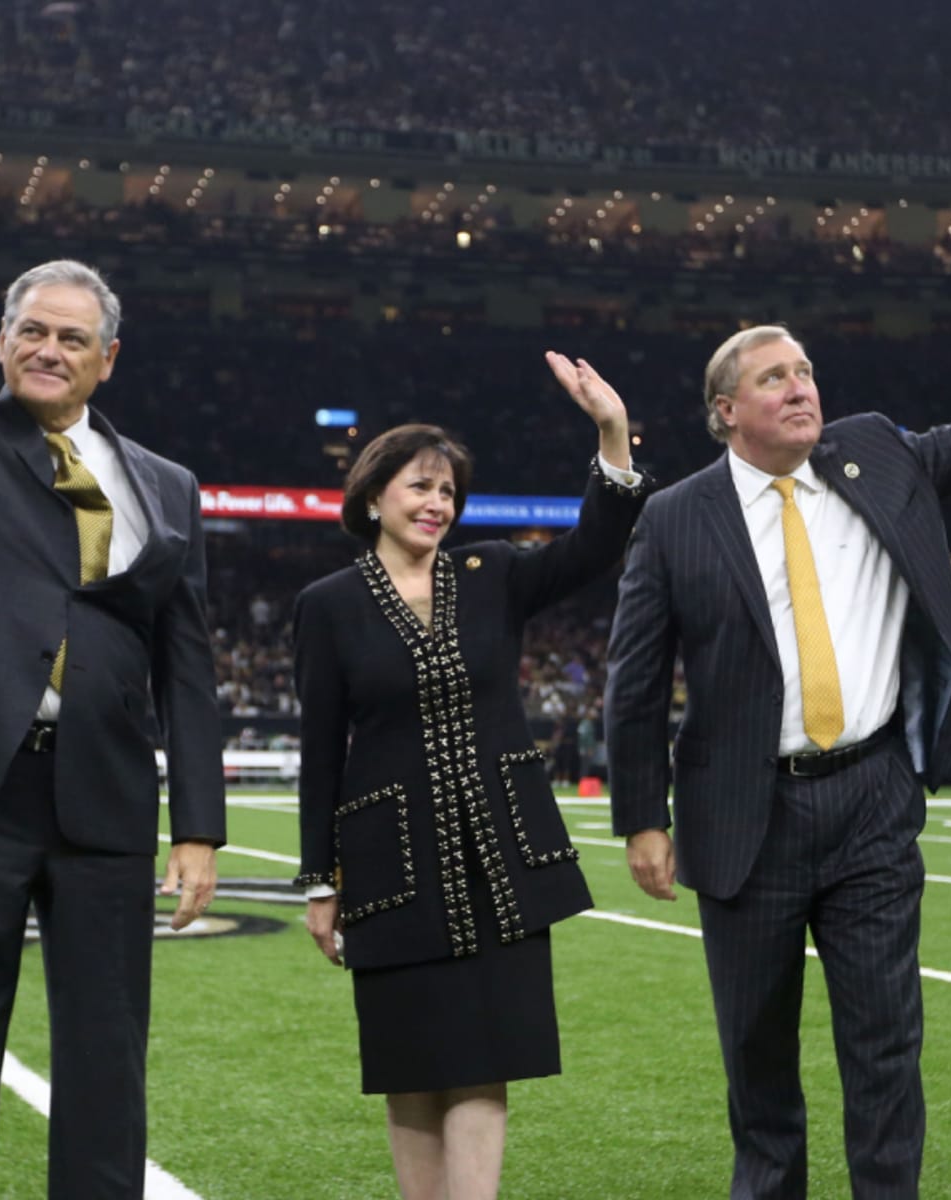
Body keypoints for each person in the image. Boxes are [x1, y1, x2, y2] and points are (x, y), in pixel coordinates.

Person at [0, 43, 226, 1200]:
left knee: (109, 1058)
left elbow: (191, 664)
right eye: (33, 329)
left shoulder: (168, 485)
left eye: (73, 336)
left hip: (107, 791)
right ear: (0, 342)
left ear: (107, 359)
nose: (50, 348)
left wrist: (201, 826)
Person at [604, 323, 951, 1198]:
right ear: (728, 412)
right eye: (775, 377)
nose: (802, 387)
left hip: (872, 798)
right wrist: (639, 819)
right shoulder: (674, 518)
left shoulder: (876, 453)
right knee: (758, 1058)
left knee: (887, 1043)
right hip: (746, 814)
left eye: (805, 370)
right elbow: (636, 681)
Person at [293, 353, 649, 1200]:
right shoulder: (328, 604)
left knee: (488, 1056)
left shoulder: (493, 575)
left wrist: (611, 431)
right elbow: (320, 750)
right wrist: (318, 878)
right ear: (374, 494)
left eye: (448, 491)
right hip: (390, 866)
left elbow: (598, 543)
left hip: (503, 857)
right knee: (412, 1066)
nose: (436, 505)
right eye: (420, 487)